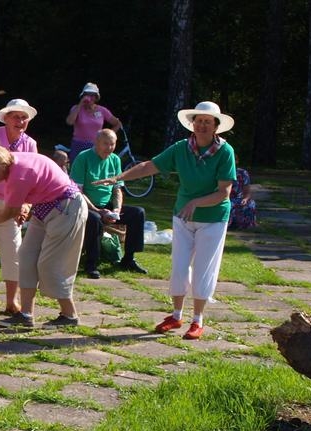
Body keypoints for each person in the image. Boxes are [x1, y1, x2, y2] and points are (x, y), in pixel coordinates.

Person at [98, 102, 236, 340]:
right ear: (192, 124)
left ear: (216, 126)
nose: (202, 125)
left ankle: (197, 320)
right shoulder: (181, 148)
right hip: (183, 216)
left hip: (213, 218)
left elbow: (224, 192)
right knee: (179, 266)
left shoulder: (225, 152)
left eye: (207, 121)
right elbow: (149, 166)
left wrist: (196, 202)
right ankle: (176, 314)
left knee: (204, 269)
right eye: (199, 121)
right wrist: (119, 178)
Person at [0, 144, 86, 329]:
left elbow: (7, 214)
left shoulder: (18, 175)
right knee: (26, 257)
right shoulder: (10, 161)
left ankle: (70, 315)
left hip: (66, 208)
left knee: (50, 263)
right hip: (45, 207)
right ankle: (26, 314)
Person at [0, 98, 39, 316]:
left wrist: (26, 204)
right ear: (6, 118)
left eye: (25, 117)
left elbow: (32, 178)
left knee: (13, 251)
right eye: (16, 116)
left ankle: (11, 301)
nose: (21, 121)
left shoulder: (30, 144)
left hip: (12, 202)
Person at [70, 128, 148, 278]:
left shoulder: (115, 160)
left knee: (138, 213)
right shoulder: (83, 158)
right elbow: (77, 192)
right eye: (106, 144)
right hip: (85, 204)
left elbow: (118, 189)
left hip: (107, 205)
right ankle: (91, 263)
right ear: (96, 142)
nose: (109, 148)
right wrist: (98, 211)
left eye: (112, 144)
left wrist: (117, 210)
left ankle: (129, 259)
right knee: (95, 219)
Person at [65, 82, 121, 160]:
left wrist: (107, 137)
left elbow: (117, 124)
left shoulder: (102, 110)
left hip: (96, 146)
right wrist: (80, 104)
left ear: (96, 97)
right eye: (87, 94)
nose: (90, 97)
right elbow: (69, 122)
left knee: (93, 169)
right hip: (78, 144)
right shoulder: (76, 108)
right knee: (76, 169)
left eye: (92, 95)